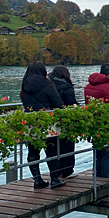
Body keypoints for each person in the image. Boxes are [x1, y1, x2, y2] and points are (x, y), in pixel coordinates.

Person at [20, 61, 65, 189]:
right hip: (47, 121)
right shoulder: (47, 84)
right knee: (52, 151)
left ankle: (37, 179)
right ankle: (55, 179)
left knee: (33, 152)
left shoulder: (25, 84)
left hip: (30, 122)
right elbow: (57, 101)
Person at [84, 63, 109, 177]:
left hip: (94, 123)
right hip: (107, 123)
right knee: (108, 153)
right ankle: (106, 180)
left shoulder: (88, 86)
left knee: (98, 152)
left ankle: (97, 178)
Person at [49, 65, 78, 178]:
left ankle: (56, 171)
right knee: (67, 145)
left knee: (54, 147)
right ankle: (66, 171)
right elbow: (72, 103)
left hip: (51, 119)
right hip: (66, 120)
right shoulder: (67, 87)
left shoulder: (49, 85)